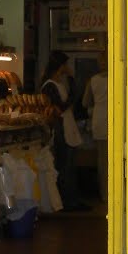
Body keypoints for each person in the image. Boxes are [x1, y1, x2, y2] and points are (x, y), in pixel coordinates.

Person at [39, 49, 84, 211]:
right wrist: (71, 80)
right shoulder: (50, 86)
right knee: (65, 166)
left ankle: (71, 200)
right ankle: (67, 201)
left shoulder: (57, 84)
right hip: (61, 130)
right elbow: (61, 107)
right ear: (61, 65)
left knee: (68, 166)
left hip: (66, 127)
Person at [82, 51, 108, 208]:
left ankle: (105, 194)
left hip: (99, 121)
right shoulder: (120, 77)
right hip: (117, 120)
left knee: (102, 161)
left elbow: (85, 103)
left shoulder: (92, 81)